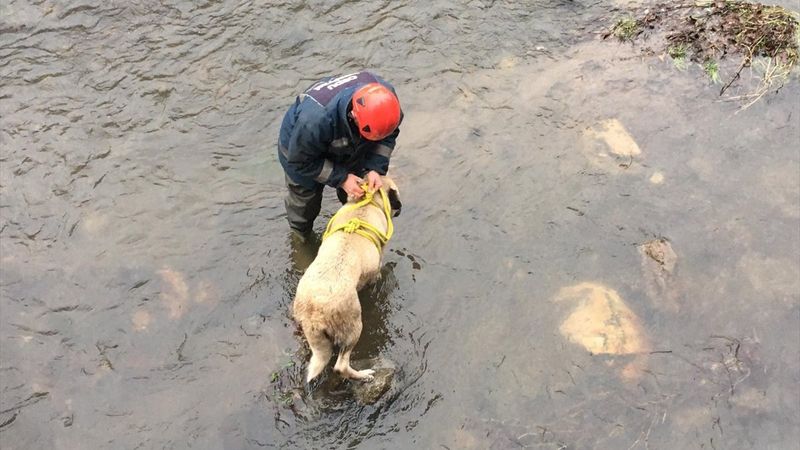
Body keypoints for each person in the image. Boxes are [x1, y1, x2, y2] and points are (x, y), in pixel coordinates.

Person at [278, 71, 403, 239]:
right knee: (305, 203)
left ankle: (353, 227)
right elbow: (300, 162)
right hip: (301, 151)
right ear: (354, 116)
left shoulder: (387, 103)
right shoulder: (314, 120)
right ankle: (301, 238)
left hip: (348, 143)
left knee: (359, 190)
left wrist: (374, 168)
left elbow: (388, 137)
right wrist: (342, 178)